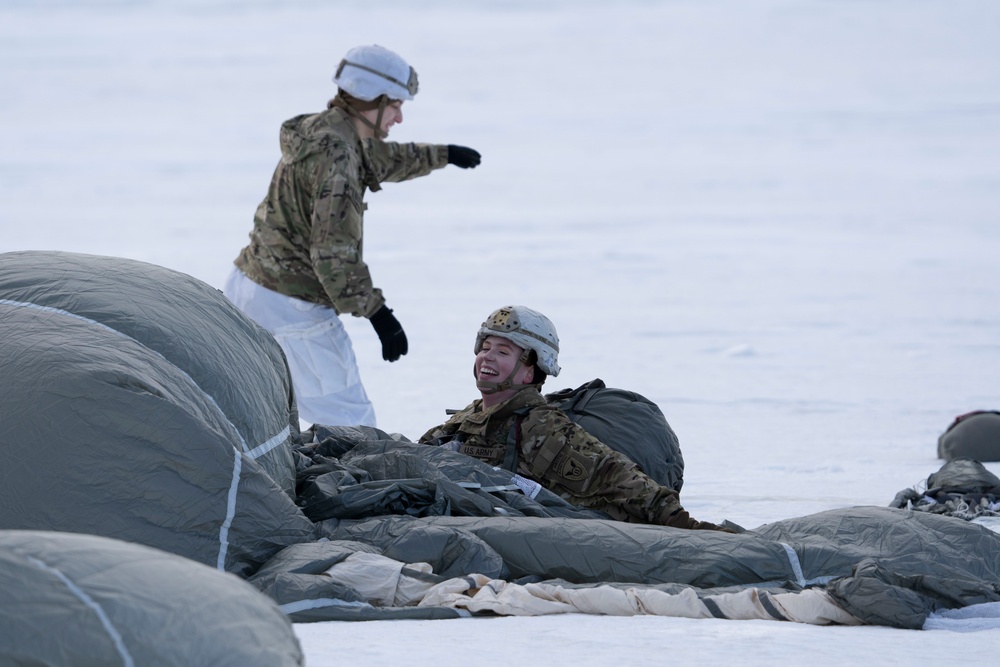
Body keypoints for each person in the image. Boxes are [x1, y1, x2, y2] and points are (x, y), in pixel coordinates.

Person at [224, 44, 481, 428]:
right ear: (372, 99)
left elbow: (378, 159)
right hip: (294, 304)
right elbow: (331, 253)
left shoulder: (323, 130)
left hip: (248, 285)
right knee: (351, 425)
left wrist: (442, 154)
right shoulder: (338, 159)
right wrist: (380, 315)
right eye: (395, 105)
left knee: (258, 408)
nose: (399, 117)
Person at [419, 306, 733, 531]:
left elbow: (614, 474)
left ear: (531, 370)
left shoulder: (540, 428)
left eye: (503, 352)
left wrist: (683, 524)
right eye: (485, 348)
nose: (487, 357)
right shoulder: (461, 423)